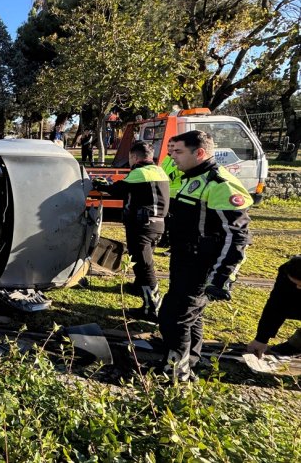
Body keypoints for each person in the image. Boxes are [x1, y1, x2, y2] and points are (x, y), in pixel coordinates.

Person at [158, 130, 252, 382]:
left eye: (178, 152)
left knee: (174, 317)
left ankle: (176, 374)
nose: (172, 158)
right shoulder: (189, 177)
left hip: (202, 265)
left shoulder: (220, 184)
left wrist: (221, 277)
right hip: (183, 259)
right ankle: (190, 361)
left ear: (199, 153)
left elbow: (237, 236)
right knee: (190, 317)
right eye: (171, 152)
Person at [92, 141, 169, 321]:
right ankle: (137, 287)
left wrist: (100, 184)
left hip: (142, 226)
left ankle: (152, 307)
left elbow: (117, 190)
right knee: (141, 260)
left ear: (134, 157)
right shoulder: (158, 170)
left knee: (144, 266)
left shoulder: (139, 172)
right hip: (157, 225)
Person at [247, 256, 301, 359]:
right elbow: (276, 304)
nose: (298, 287)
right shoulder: (287, 270)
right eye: (295, 283)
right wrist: (261, 339)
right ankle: (296, 345)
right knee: (284, 305)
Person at [158, 138, 184, 249]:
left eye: (172, 146)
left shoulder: (180, 160)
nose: (170, 148)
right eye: (168, 145)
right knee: (165, 219)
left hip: (176, 195)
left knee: (173, 222)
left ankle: (171, 244)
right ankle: (164, 240)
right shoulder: (167, 158)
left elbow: (181, 176)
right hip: (166, 194)